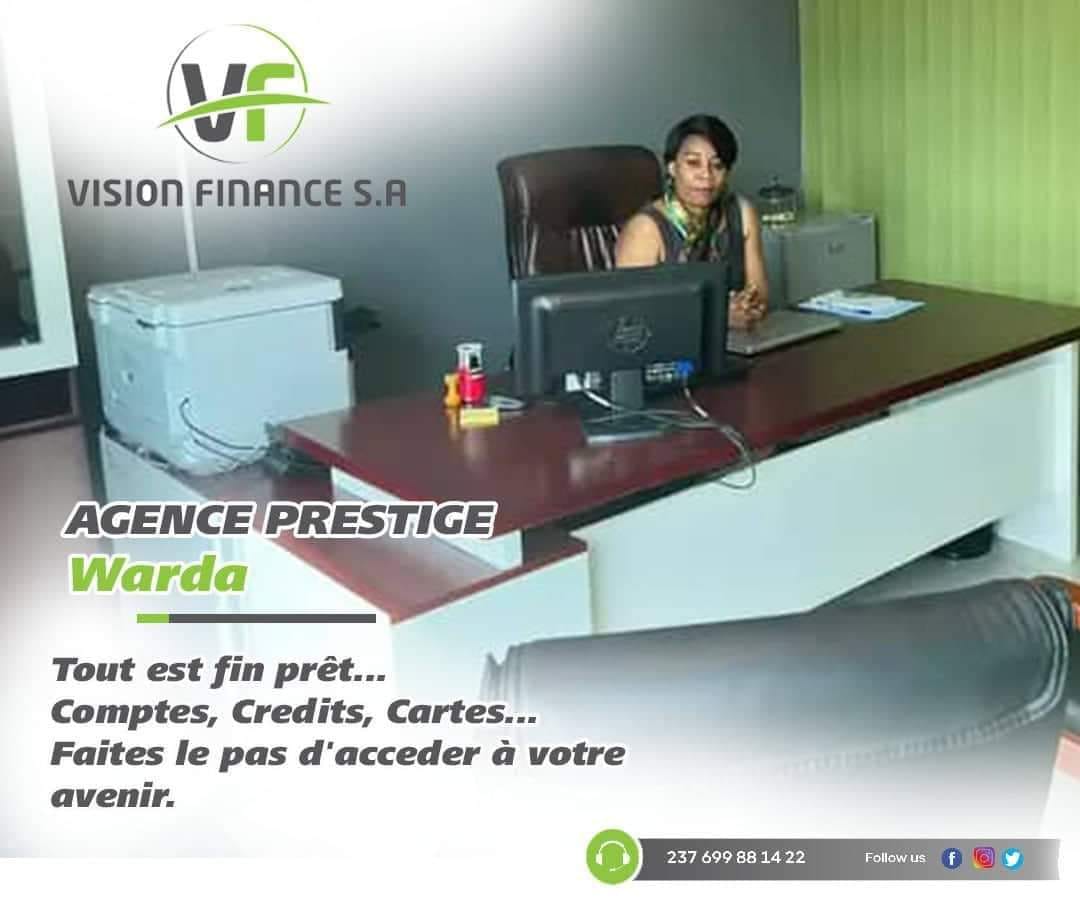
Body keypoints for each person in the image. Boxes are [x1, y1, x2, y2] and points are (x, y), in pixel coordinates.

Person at [615, 114, 768, 329]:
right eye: (693, 163)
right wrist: (718, 317)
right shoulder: (645, 229)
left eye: (717, 165)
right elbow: (634, 317)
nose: (706, 175)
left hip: (741, 341)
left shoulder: (742, 213)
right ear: (672, 167)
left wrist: (747, 308)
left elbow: (759, 296)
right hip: (671, 346)